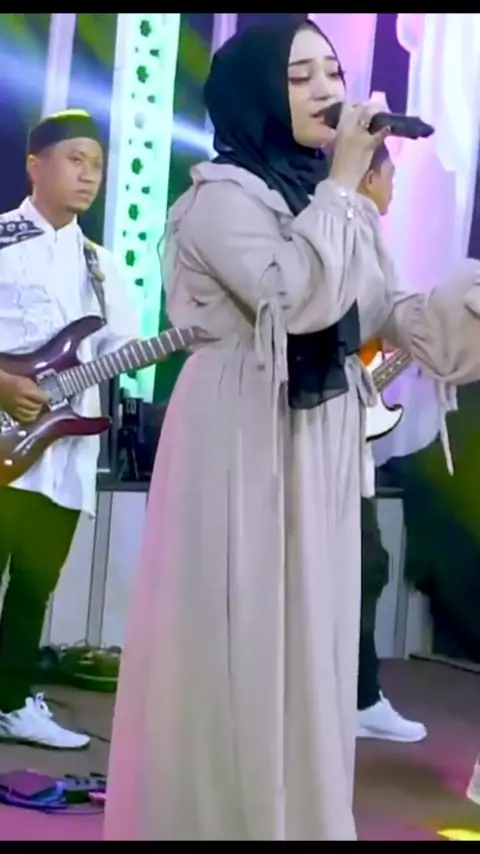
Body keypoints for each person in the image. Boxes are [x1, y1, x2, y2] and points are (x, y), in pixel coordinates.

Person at [105, 19, 480, 841]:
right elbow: (294, 296)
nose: (327, 91)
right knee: (237, 637)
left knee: (309, 641)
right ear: (255, 93)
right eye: (301, 75)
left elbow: (382, 312)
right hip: (240, 433)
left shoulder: (330, 201)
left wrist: (463, 307)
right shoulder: (219, 200)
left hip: (321, 441)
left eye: (333, 72)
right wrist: (344, 187)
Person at [0, 109, 139, 749]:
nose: (89, 176)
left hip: (63, 453)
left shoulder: (101, 265)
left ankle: (10, 701)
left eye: (98, 166)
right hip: (5, 435)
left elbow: (123, 348)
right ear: (36, 165)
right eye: (75, 160)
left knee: (34, 585)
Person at [356, 144, 427, 743]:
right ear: (369, 175)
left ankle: (358, 692)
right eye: (390, 175)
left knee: (367, 565)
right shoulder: (349, 236)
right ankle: (358, 696)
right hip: (323, 436)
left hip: (346, 440)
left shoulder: (364, 238)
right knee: (364, 565)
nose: (394, 188)